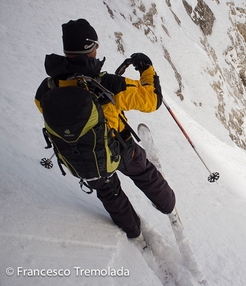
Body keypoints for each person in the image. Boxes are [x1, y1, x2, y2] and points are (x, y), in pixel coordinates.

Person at [35, 19, 176, 240]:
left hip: (82, 158)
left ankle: (133, 232)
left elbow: (45, 109)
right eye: (96, 45)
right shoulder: (107, 84)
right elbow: (152, 100)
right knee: (143, 172)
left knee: (109, 192)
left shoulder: (47, 88)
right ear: (90, 48)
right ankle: (168, 205)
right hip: (121, 149)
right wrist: (147, 69)